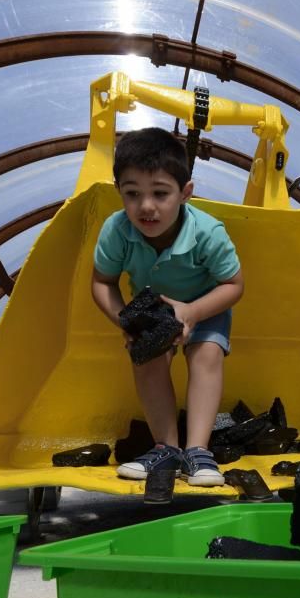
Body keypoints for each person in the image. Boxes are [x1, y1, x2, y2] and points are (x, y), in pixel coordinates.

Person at [91, 127, 244, 486]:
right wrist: (125, 321)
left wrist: (191, 313)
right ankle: (167, 449)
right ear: (119, 193)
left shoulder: (207, 233)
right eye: (133, 194)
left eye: (160, 193)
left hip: (205, 305)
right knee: (147, 361)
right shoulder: (116, 231)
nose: (146, 206)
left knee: (206, 355)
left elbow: (234, 286)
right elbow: (101, 282)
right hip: (150, 309)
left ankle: (198, 451)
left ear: (185, 193)